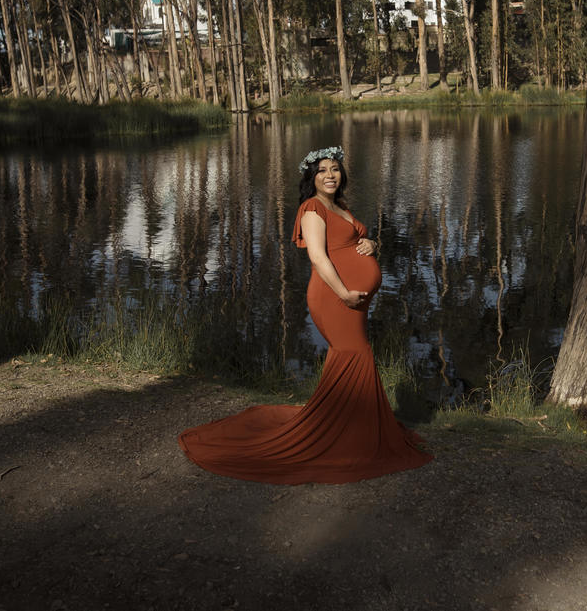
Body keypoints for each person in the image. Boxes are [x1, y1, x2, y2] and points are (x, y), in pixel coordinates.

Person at [178, 145, 433, 484]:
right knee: (354, 353)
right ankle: (347, 433)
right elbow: (318, 257)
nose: (330, 175)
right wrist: (343, 293)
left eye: (335, 169)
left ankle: (353, 424)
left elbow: (355, 242)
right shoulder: (312, 208)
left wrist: (373, 244)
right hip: (333, 296)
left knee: (354, 354)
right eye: (323, 170)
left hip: (352, 297)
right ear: (311, 177)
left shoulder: (338, 206)